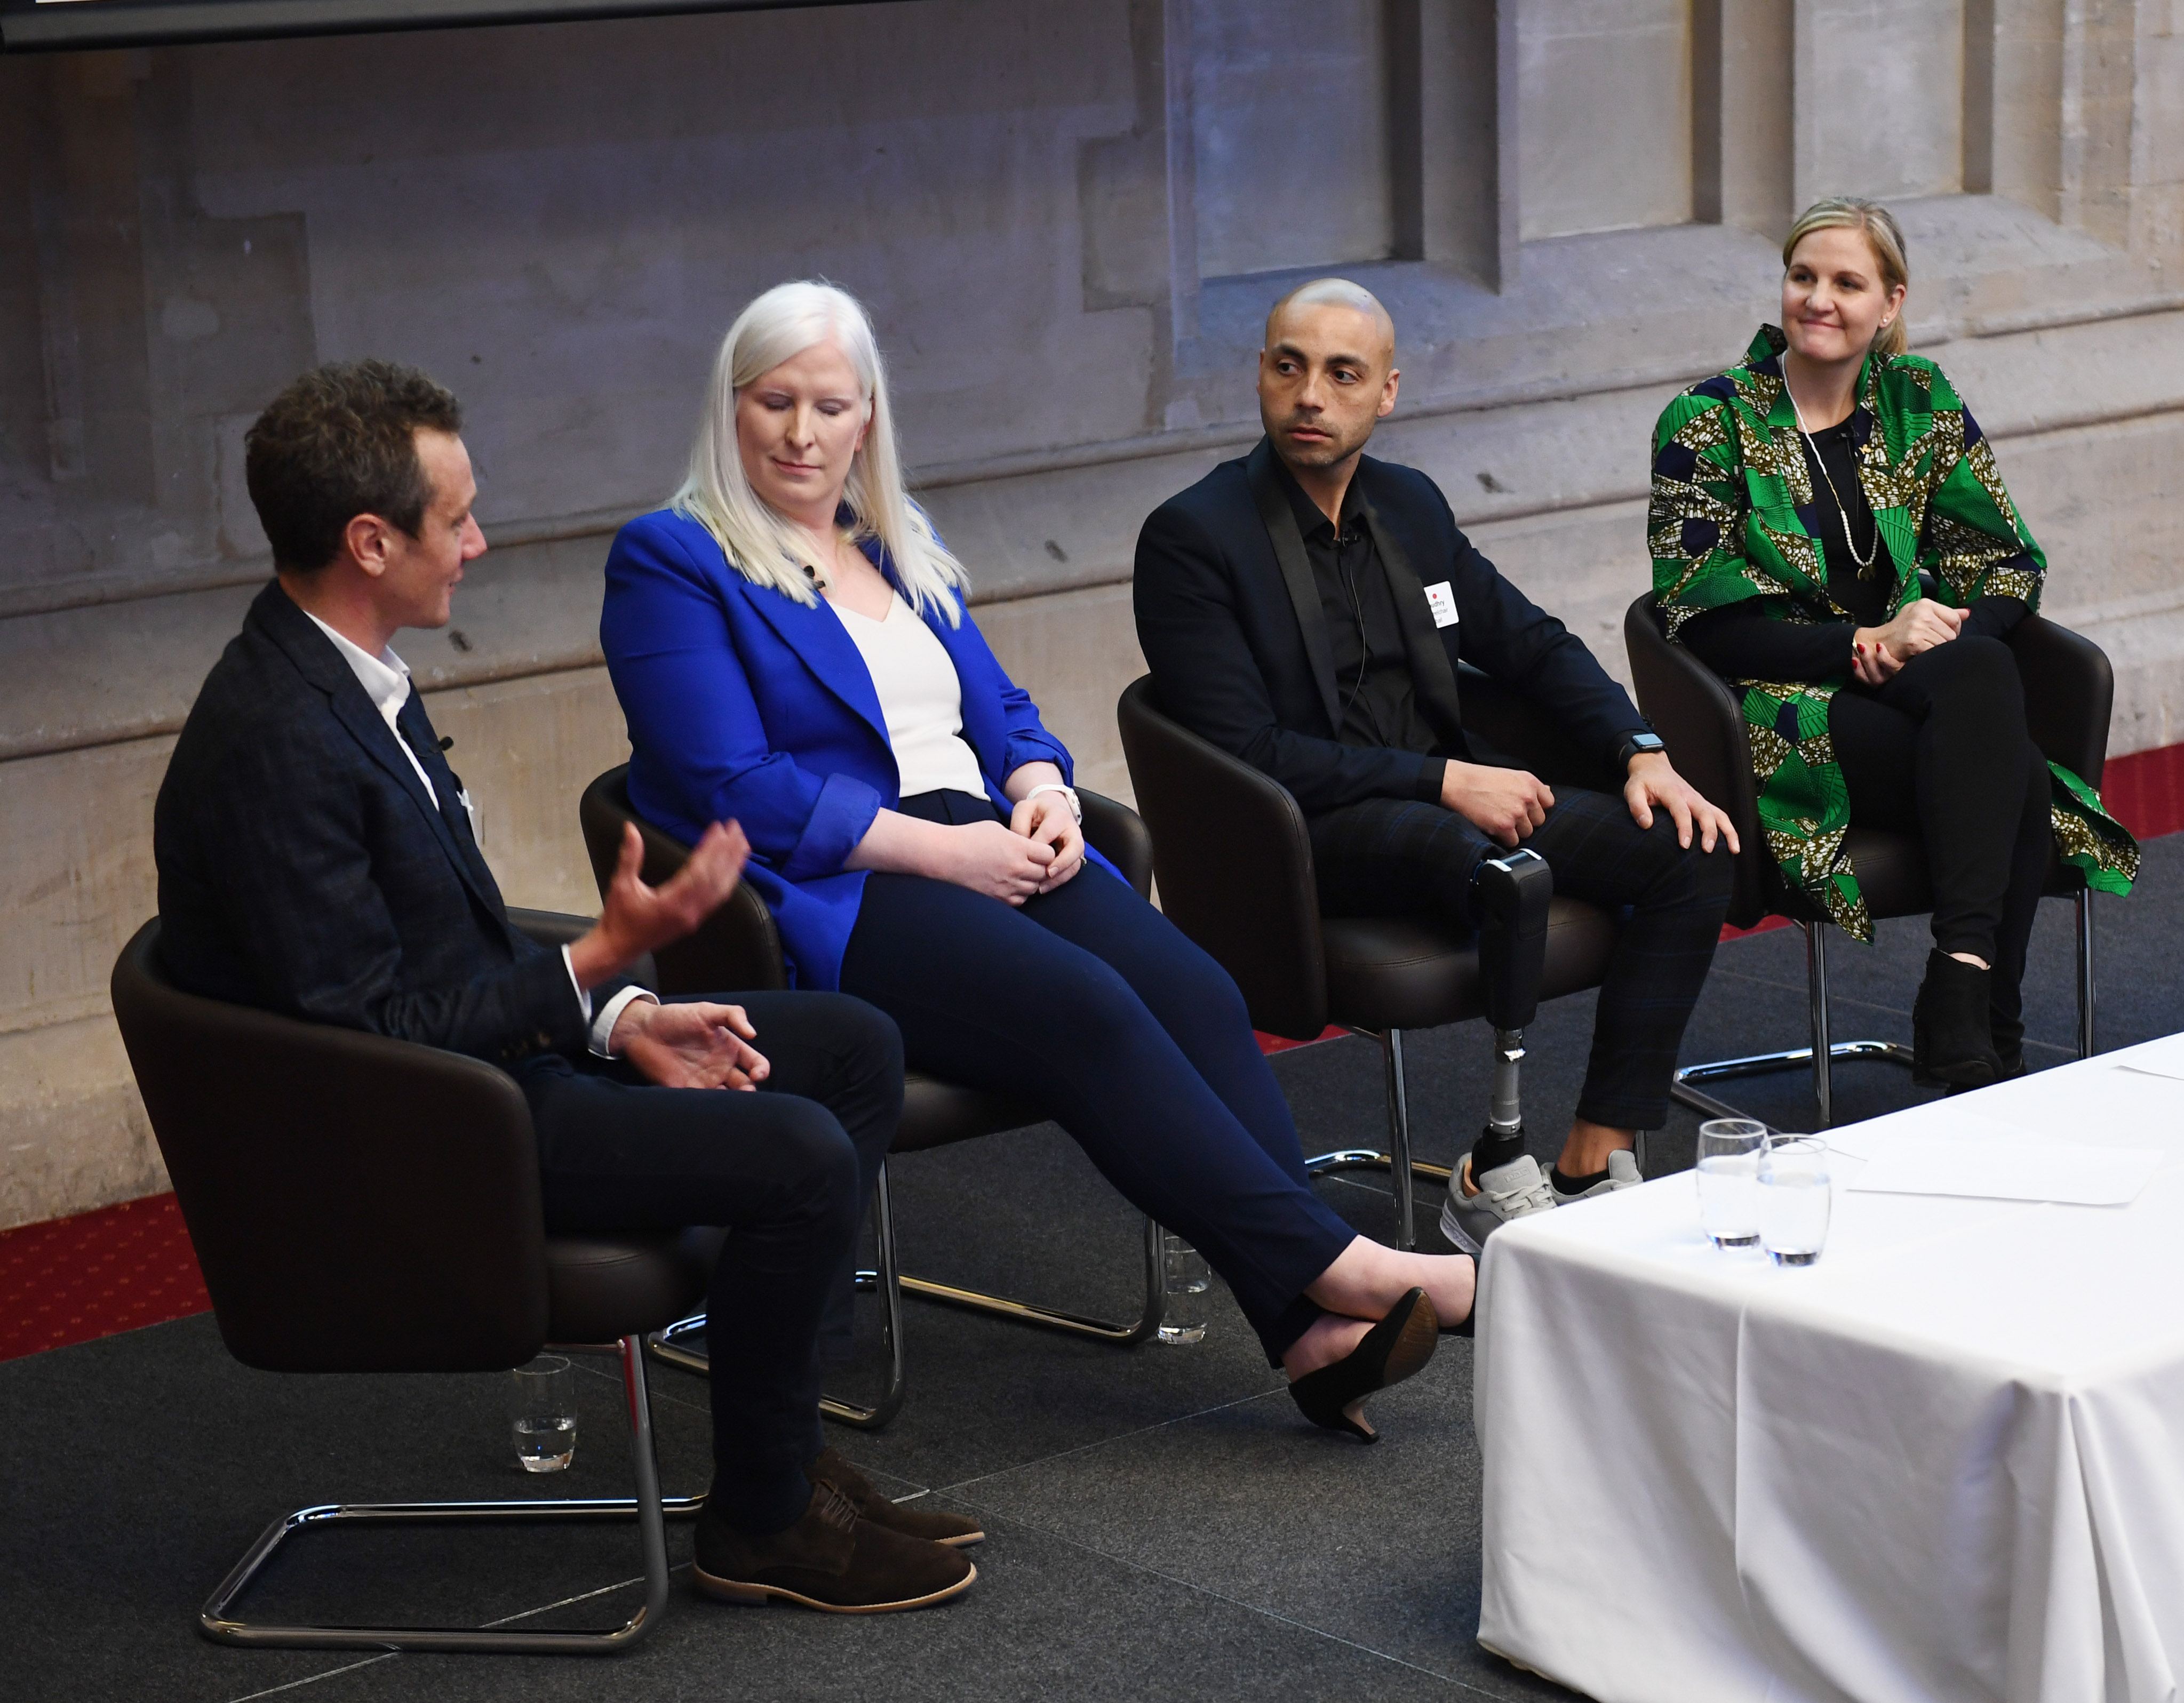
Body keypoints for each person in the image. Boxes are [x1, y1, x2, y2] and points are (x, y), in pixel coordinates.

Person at [154, 359, 974, 1614]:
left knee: (851, 1047)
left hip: (484, 1067)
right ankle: (762, 1517)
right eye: (457, 518)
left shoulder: (350, 676)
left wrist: (623, 1013)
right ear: (370, 541)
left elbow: (448, 951)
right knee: (802, 1152)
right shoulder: (276, 738)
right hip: (421, 1126)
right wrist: (594, 960)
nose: (480, 542)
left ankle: (777, 1456)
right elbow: (367, 1033)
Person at [601, 281, 1466, 1442]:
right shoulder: (673, 558)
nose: (801, 433)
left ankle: (1304, 1330)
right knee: (1087, 1007)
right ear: (732, 406)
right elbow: (733, 785)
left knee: (1198, 991)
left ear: (869, 418)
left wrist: (1042, 787)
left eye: (830, 405)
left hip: (987, 832)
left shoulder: (899, 540)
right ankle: (1337, 1262)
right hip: (844, 880)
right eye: (774, 402)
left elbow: (1001, 707)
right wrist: (946, 853)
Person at [1135, 278, 1741, 1254]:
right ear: (1260, 374)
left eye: (1342, 375)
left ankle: (1596, 1145)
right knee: (1495, 864)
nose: (1309, 397)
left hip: (1454, 798)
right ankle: (1494, 1161)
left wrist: (1642, 752)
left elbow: (1531, 643)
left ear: (1387, 393)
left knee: (1690, 848)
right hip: (1306, 828)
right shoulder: (1194, 537)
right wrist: (1445, 781)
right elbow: (1248, 752)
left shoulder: (1410, 506)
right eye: (1289, 368)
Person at [1648, 197, 2135, 1093]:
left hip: (1919, 686)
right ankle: (1984, 1018)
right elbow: (1700, 617)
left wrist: (1935, 635)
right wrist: (1861, 643)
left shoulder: (1919, 401)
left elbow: (2006, 563)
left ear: (1891, 303)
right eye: (1804, 277)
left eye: (1847, 282)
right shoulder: (1709, 421)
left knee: (1982, 663)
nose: (1819, 300)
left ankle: (1962, 991)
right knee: (2016, 775)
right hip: (1773, 711)